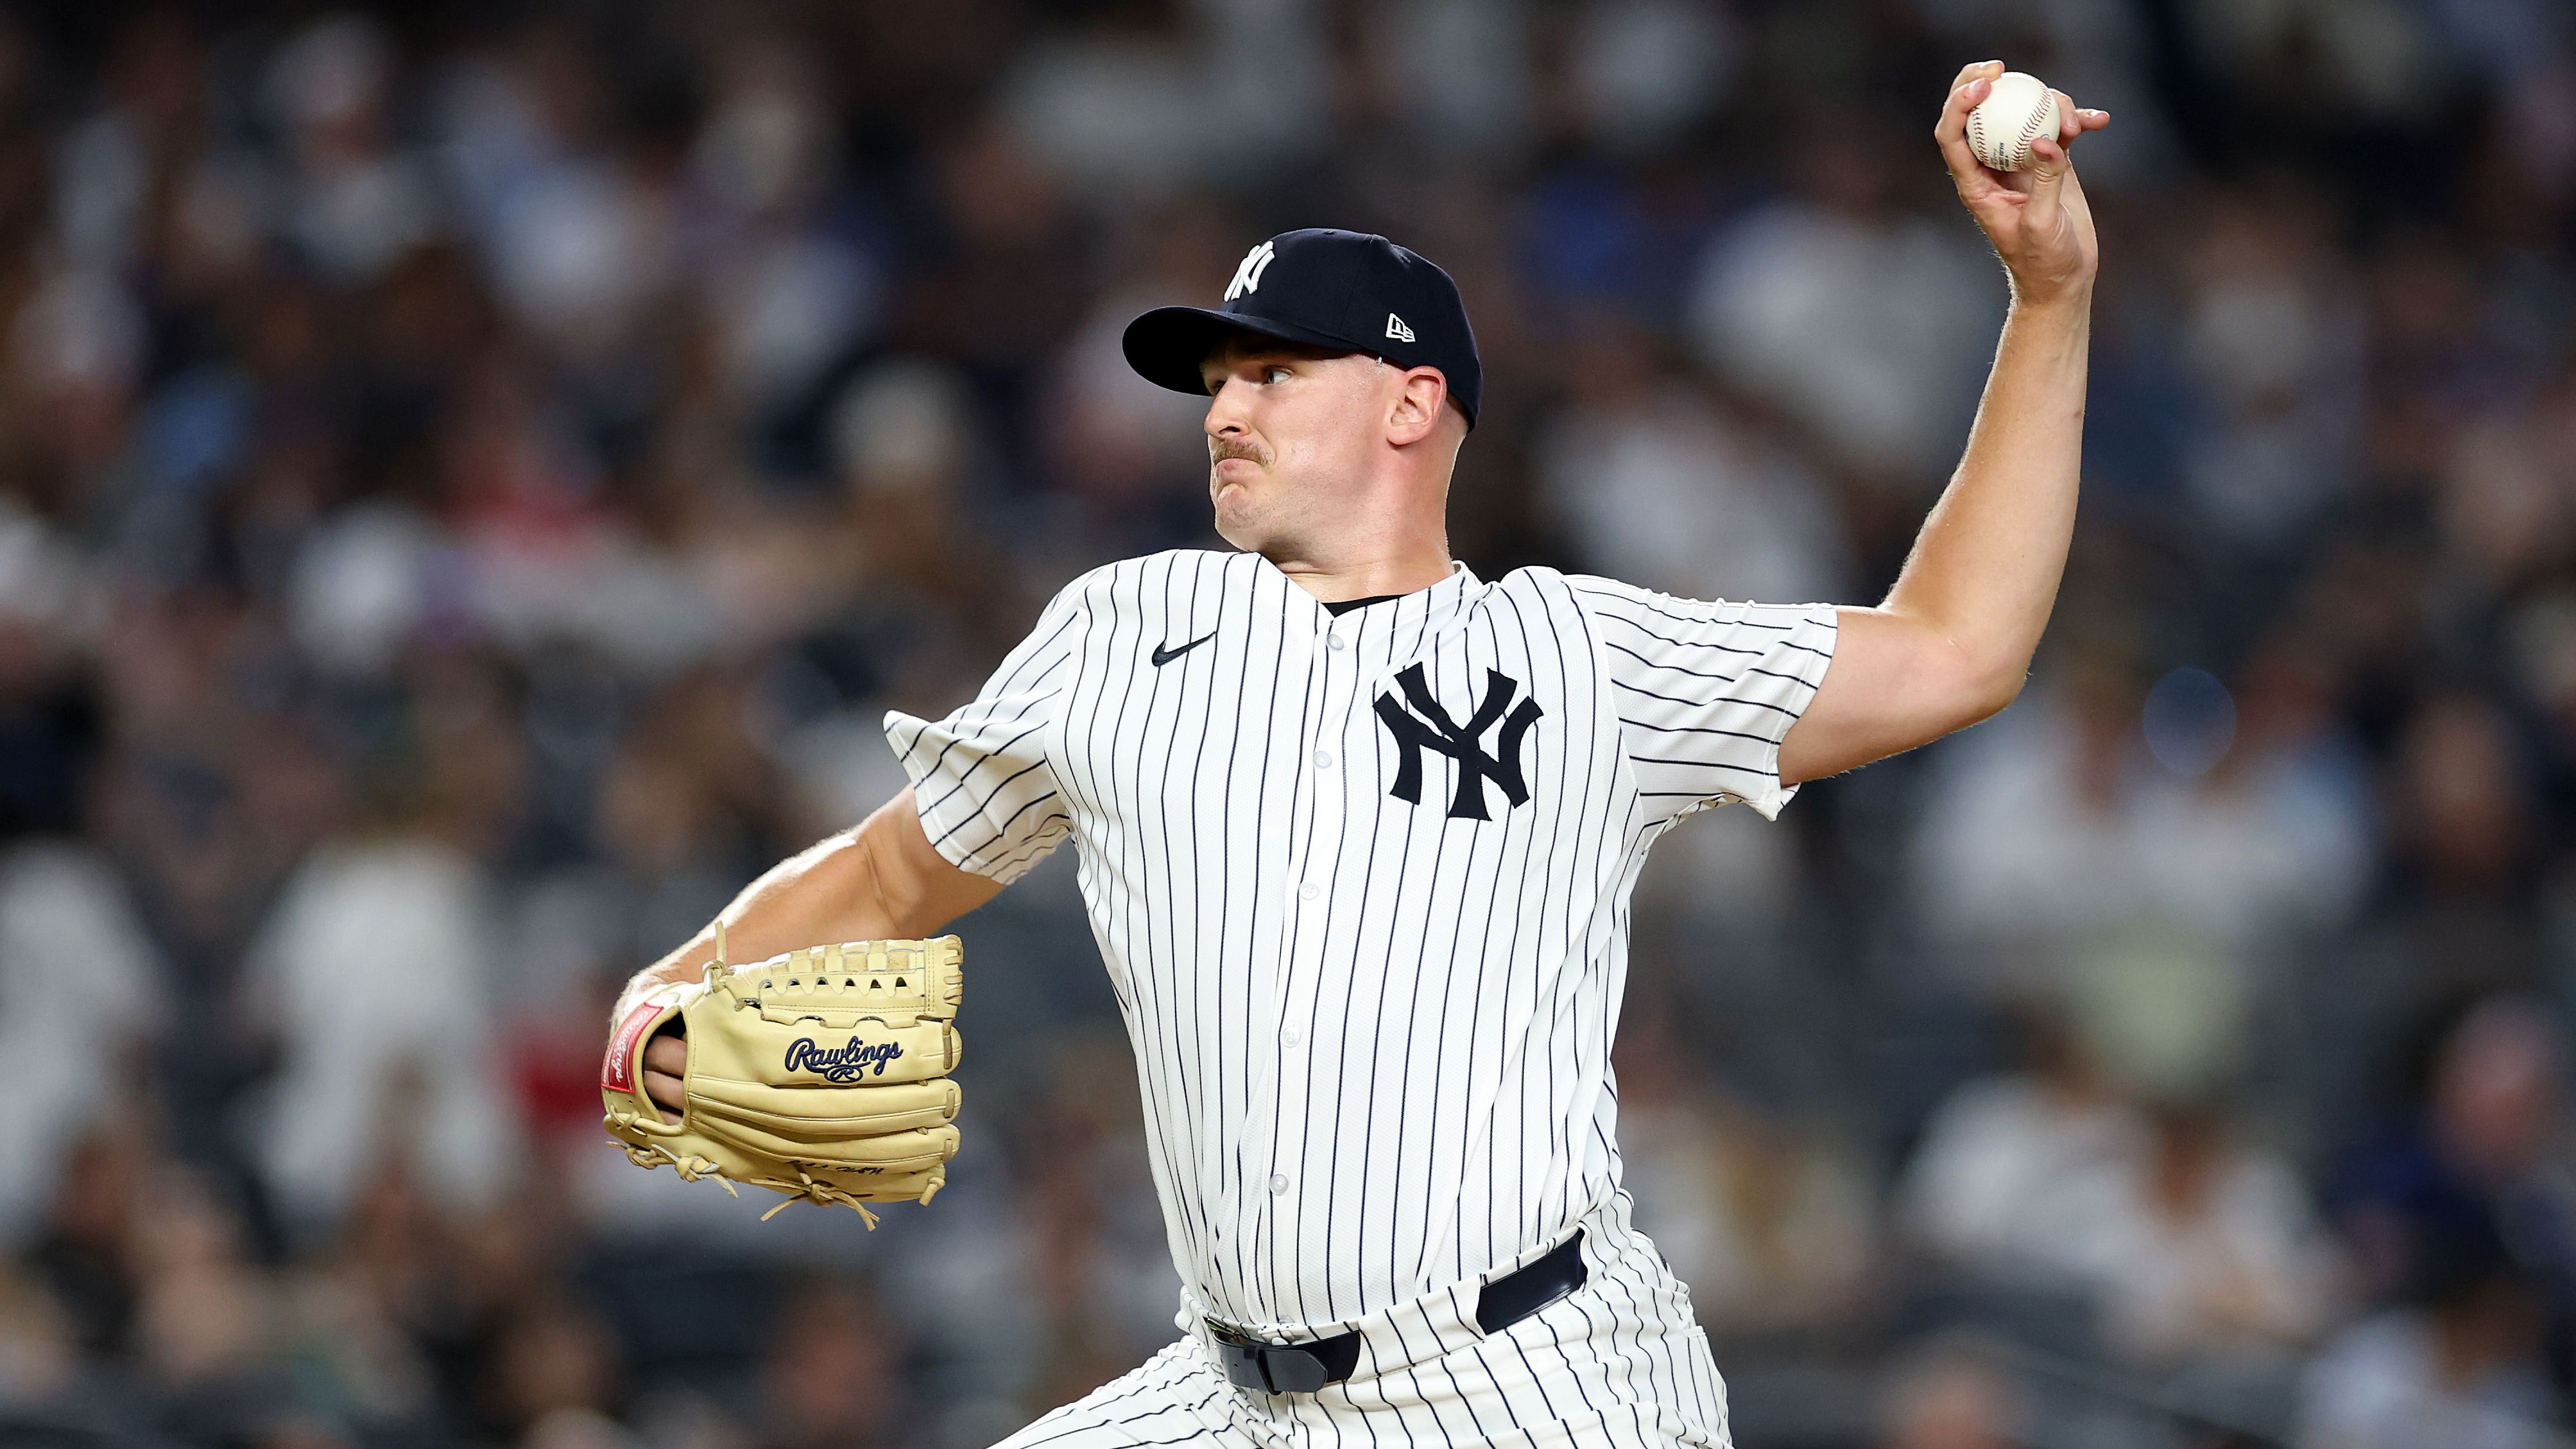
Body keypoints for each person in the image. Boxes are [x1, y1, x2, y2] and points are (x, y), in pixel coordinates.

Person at [612, 62, 2108, 1448]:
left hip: (1527, 1375)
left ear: (1411, 402)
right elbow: (886, 876)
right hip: (1230, 1385)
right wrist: (682, 982)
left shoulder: (1579, 654)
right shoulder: (1121, 628)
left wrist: (2050, 297)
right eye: (1218, 381)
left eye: (1274, 374)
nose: (1226, 408)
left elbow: (1959, 649)